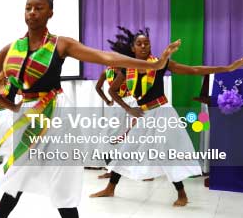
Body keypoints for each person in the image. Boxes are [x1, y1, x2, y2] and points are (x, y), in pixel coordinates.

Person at [0, 0, 181, 218]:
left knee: (61, 177)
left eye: (39, 8)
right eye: (28, 7)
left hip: (57, 115)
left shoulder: (61, 44)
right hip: (27, 117)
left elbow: (105, 58)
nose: (32, 13)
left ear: (50, 13)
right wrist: (12, 106)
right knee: (17, 174)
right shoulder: (11, 48)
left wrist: (153, 67)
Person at [90, 26, 243, 206]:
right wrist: (128, 109)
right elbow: (112, 91)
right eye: (139, 44)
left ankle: (182, 194)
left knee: (168, 153)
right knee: (126, 149)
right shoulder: (127, 68)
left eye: (146, 43)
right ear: (133, 48)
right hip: (143, 114)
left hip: (162, 112)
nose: (143, 46)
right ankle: (110, 188)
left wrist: (227, 68)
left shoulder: (161, 64)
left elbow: (193, 70)